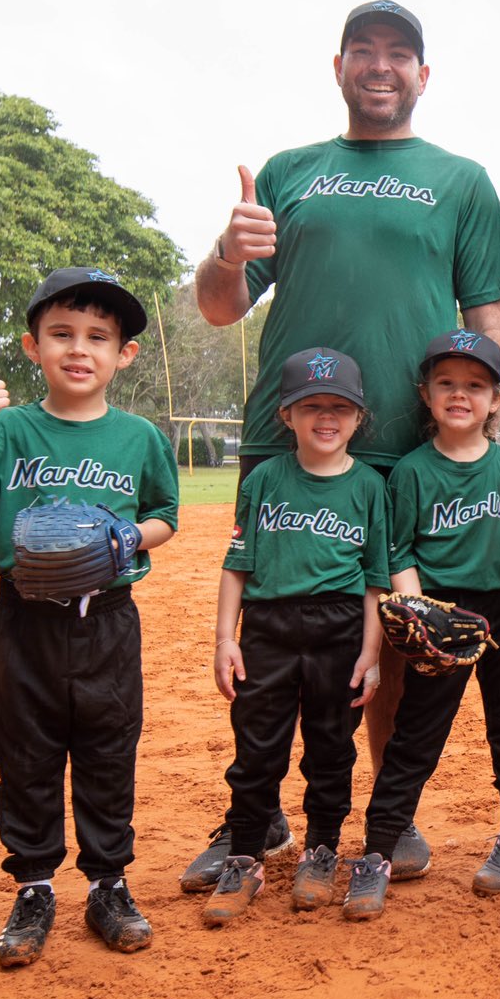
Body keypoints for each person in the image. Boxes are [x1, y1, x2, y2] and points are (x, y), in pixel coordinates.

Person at [186, 0, 500, 889]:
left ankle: (385, 814)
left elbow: (488, 317)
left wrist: (481, 418)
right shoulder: (292, 171)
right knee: (271, 630)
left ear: (423, 73)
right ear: (338, 67)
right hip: (286, 436)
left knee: (397, 633)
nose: (382, 66)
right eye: (364, 51)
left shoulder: (461, 181)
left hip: (405, 448)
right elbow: (219, 304)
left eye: (399, 53)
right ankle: (252, 817)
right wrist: (227, 248)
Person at [0, 268, 178, 968]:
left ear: (124, 354)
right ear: (31, 346)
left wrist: (133, 538)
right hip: (25, 619)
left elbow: (164, 516)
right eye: (62, 334)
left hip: (107, 618)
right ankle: (35, 887)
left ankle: (108, 884)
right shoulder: (10, 429)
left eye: (99, 337)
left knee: (108, 748)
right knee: (26, 751)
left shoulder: (139, 439)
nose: (80, 348)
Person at [343, 330, 500, 918]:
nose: (461, 394)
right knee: (415, 735)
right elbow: (399, 552)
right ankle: (378, 850)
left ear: (497, 399)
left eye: (476, 385)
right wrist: (420, 615)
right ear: (426, 394)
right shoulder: (410, 472)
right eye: (447, 383)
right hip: (444, 613)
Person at [201, 347, 389, 927]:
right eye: (310, 406)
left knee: (331, 750)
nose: (325, 417)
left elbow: (376, 582)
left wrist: (371, 653)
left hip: (339, 630)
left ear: (359, 417)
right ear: (286, 414)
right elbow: (237, 564)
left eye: (340, 407)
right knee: (257, 751)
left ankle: (322, 850)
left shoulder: (368, 488)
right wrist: (224, 639)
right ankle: (244, 856)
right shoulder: (263, 480)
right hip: (268, 628)